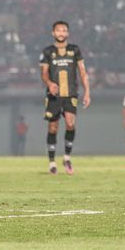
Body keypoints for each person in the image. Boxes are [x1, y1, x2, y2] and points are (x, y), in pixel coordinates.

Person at [39, 21, 91, 175]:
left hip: (71, 94)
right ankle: (52, 162)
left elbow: (82, 72)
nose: (61, 33)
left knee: (70, 123)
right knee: (53, 127)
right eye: (58, 30)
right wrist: (49, 83)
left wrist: (87, 91)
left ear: (67, 33)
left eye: (64, 30)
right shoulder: (48, 51)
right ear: (53, 33)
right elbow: (44, 73)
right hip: (54, 95)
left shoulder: (75, 50)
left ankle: (67, 157)